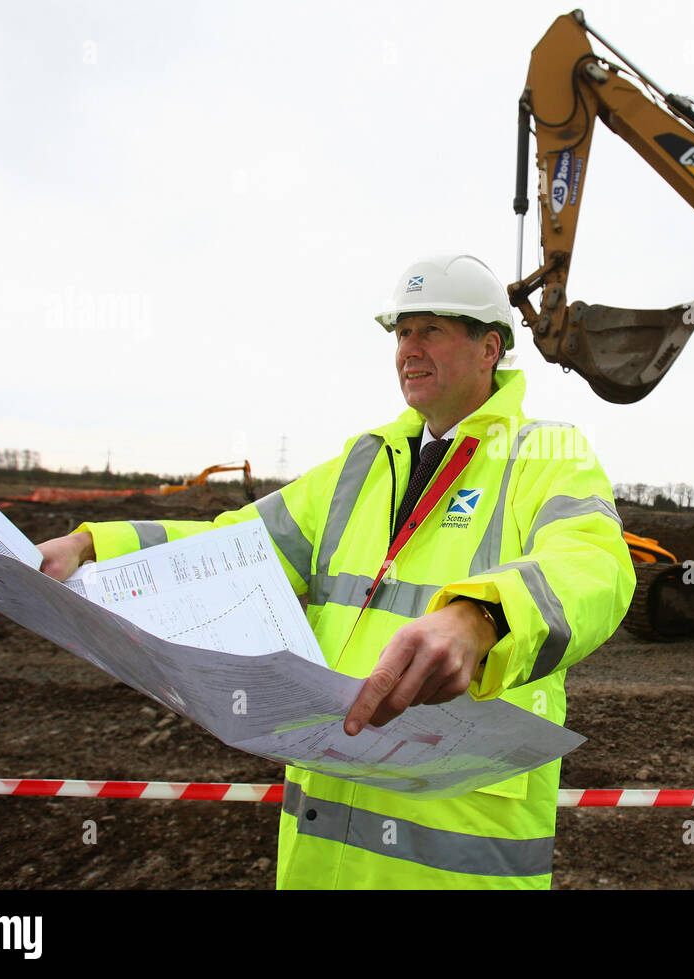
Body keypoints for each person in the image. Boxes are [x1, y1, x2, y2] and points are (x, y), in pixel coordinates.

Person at [33, 253, 635, 889]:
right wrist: (94, 545)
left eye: (431, 329)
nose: (409, 348)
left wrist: (484, 617)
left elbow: (595, 563)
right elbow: (231, 545)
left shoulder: (546, 455)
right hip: (324, 836)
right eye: (402, 332)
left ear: (490, 347)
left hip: (457, 845)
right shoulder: (364, 463)